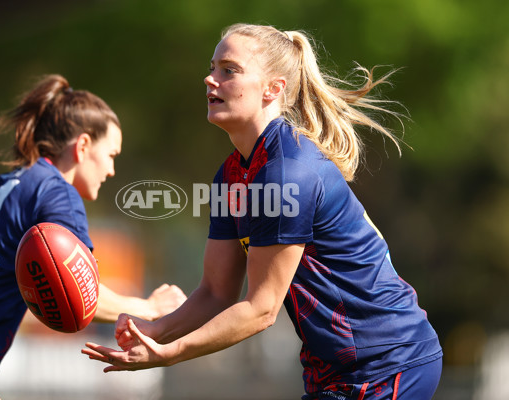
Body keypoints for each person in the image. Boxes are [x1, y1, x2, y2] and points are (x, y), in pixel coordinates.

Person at [82, 23, 443, 400]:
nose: (210, 79)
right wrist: (153, 331)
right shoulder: (231, 176)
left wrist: (169, 354)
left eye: (229, 70)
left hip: (387, 364)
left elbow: (260, 310)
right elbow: (215, 292)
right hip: (334, 372)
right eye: (212, 67)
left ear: (273, 89)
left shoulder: (287, 173)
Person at [0, 74, 186, 400]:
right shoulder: (57, 195)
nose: (111, 170)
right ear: (83, 146)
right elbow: (81, 294)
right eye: (111, 154)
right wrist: (149, 306)